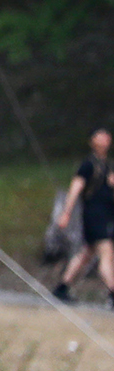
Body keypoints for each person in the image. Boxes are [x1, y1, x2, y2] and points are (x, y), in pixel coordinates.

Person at [53, 127, 114, 302]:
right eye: (100, 136)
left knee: (86, 253)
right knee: (106, 253)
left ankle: (62, 288)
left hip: (105, 215)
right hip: (95, 215)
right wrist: (66, 213)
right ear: (92, 141)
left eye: (106, 136)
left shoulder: (106, 164)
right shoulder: (88, 164)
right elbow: (75, 189)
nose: (105, 139)